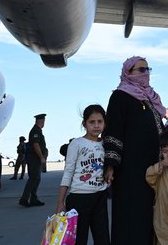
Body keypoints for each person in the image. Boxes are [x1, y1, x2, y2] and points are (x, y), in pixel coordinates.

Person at [103, 56, 166, 245]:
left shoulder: (150, 97)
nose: (146, 73)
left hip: (153, 169)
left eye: (148, 69)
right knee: (131, 216)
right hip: (130, 171)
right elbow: (113, 131)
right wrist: (111, 165)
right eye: (141, 69)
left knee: (148, 216)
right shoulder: (120, 96)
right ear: (128, 72)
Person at [55, 105, 109, 245]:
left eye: (100, 121)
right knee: (79, 240)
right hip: (79, 198)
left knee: (103, 239)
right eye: (92, 122)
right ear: (84, 124)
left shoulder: (106, 144)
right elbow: (68, 172)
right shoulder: (77, 143)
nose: (96, 125)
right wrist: (61, 202)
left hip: (100, 197)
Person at [19, 113, 47, 207]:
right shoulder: (35, 131)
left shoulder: (38, 130)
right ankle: (24, 199)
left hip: (35, 159)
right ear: (41, 121)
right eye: (43, 121)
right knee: (33, 179)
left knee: (37, 179)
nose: (44, 123)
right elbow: (36, 145)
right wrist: (41, 157)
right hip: (34, 159)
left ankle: (33, 199)